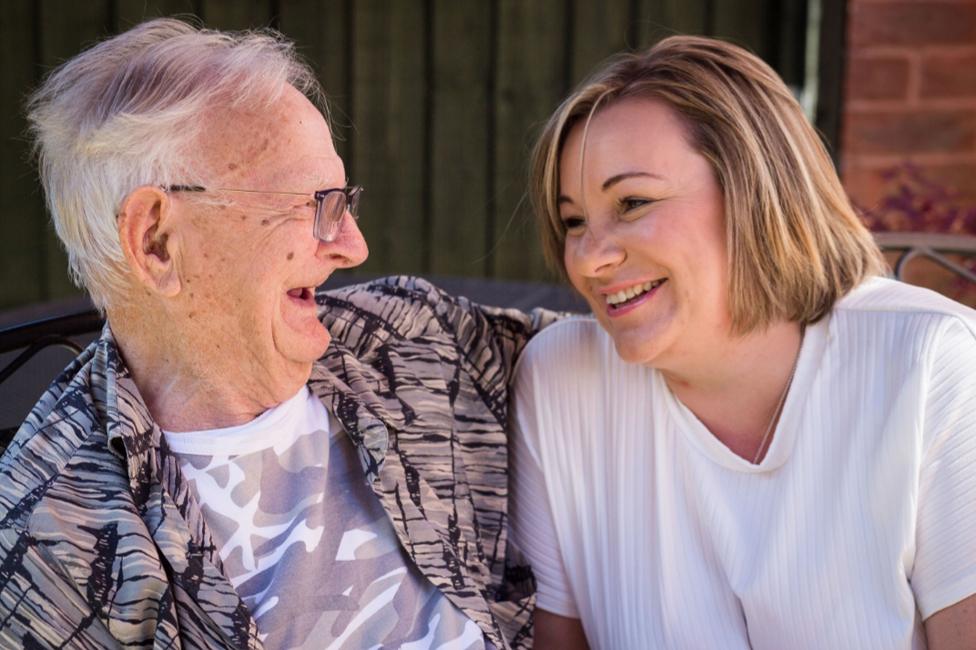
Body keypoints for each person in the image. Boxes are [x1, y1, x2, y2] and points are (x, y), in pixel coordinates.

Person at [0, 19, 548, 649]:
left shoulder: (403, 341)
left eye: (344, 202)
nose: (352, 245)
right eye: (315, 203)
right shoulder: (53, 538)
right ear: (156, 241)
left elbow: (630, 354)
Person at [510, 35, 976, 649]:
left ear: (755, 191)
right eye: (574, 221)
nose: (590, 258)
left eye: (633, 202)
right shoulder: (559, 381)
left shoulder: (928, 362)